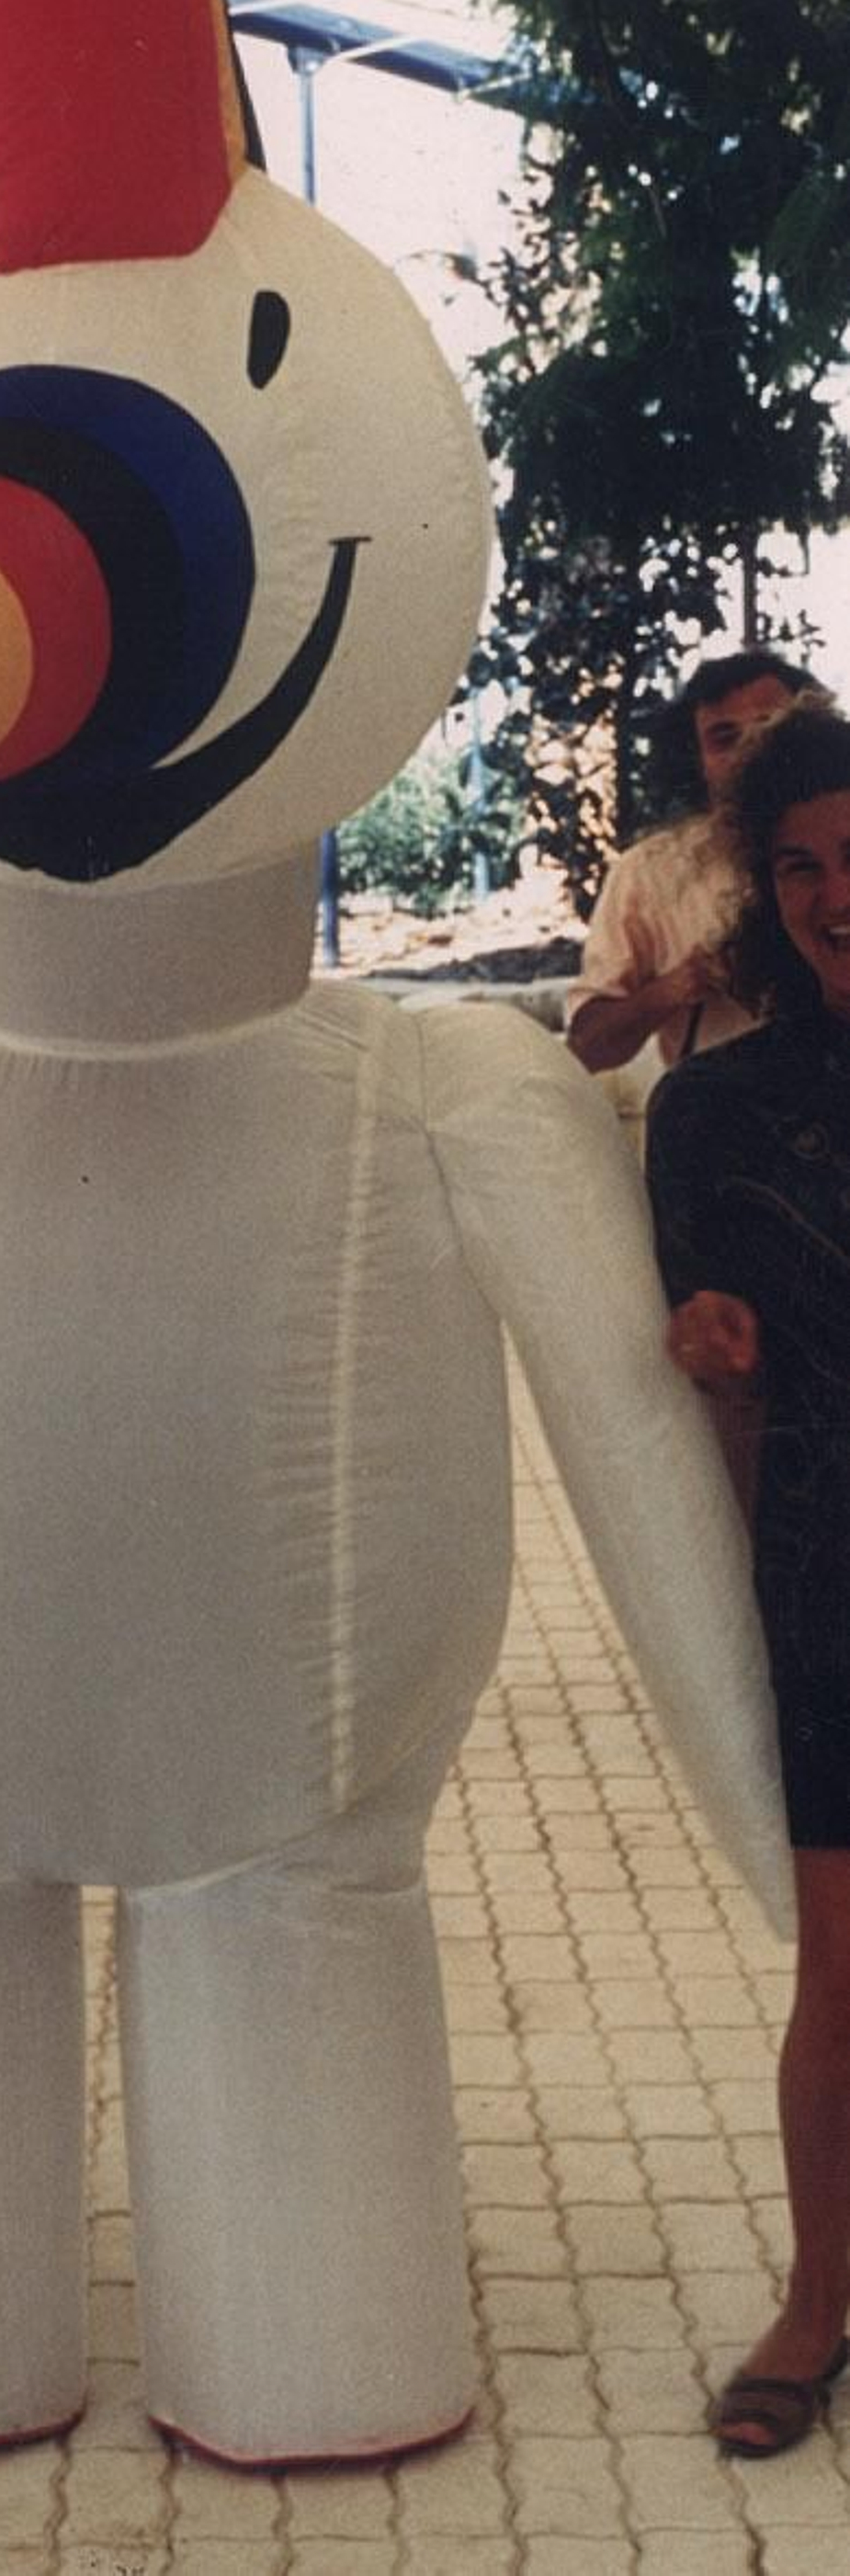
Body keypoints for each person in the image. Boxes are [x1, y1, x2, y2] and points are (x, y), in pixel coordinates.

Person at [647, 698, 850, 2457]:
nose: (832, 892)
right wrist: (707, 1339)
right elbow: (695, 1314)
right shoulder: (715, 1106)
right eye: (798, 865)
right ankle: (814, 2300)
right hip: (833, 1561)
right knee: (842, 1979)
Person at [567, 650, 811, 1078]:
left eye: (772, 728)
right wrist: (680, 984)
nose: (752, 750)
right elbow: (587, 1048)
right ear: (695, 759)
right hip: (720, 1126)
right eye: (724, 737)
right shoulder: (650, 872)